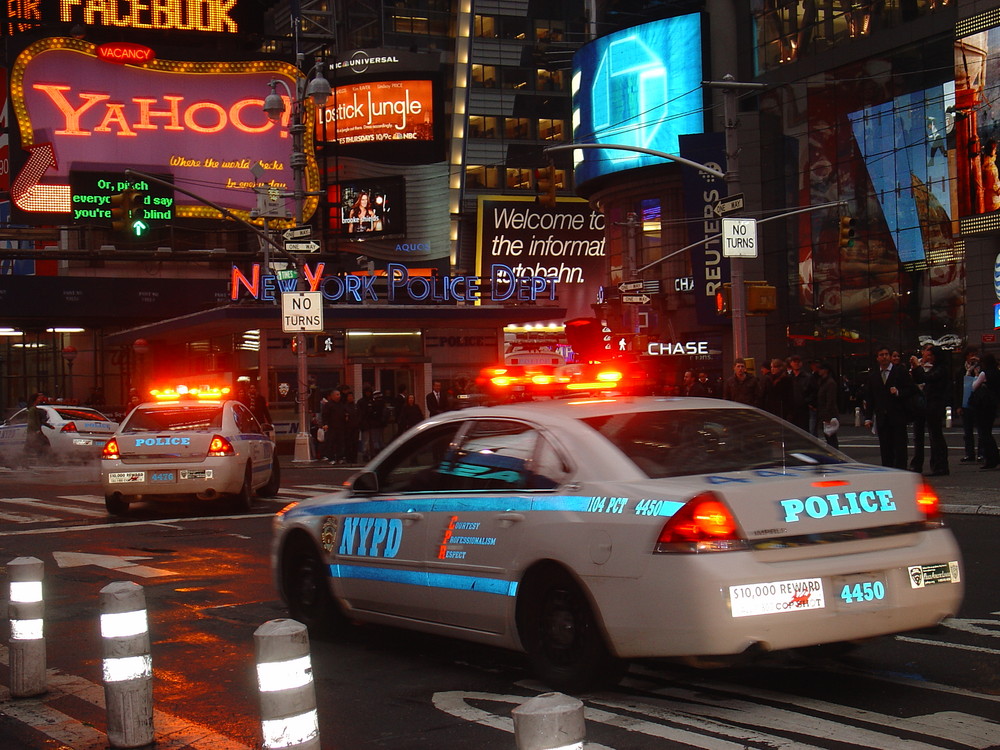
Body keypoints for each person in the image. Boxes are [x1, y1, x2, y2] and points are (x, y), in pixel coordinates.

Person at [862, 346, 914, 470]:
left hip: (897, 415)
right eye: (881, 354)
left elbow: (911, 389)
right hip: (882, 417)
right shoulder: (873, 375)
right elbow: (870, 397)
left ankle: (901, 469)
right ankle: (888, 469)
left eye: (886, 354)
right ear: (877, 358)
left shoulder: (900, 372)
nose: (884, 357)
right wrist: (868, 417)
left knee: (900, 446)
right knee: (885, 447)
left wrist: (898, 392)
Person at [909, 345, 950, 476]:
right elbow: (920, 379)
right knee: (931, 435)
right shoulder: (937, 368)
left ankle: (940, 465)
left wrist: (917, 368)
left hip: (935, 404)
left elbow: (926, 378)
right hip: (928, 404)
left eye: (931, 355)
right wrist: (916, 368)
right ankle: (936, 465)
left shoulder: (941, 369)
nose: (929, 358)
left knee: (936, 436)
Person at [970, 353, 1000, 469]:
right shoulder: (997, 372)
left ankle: (991, 458)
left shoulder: (984, 373)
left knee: (984, 432)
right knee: (988, 431)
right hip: (992, 404)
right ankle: (994, 456)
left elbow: (974, 386)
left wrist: (976, 375)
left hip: (983, 405)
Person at [959, 349, 980, 463]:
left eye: (975, 355)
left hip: (978, 402)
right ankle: (969, 453)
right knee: (967, 431)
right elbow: (958, 388)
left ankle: (981, 453)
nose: (973, 357)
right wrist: (958, 405)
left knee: (981, 430)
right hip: (966, 402)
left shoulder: (980, 369)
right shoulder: (962, 370)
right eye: (971, 355)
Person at [786, 355, 814, 432]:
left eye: (798, 362)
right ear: (791, 363)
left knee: (804, 431)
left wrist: (807, 402)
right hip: (791, 410)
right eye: (794, 362)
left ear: (801, 363)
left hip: (803, 409)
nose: (796, 364)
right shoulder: (788, 378)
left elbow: (813, 392)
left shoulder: (808, 377)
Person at [358, 386, 387, 461]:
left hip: (371, 423)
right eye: (367, 392)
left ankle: (371, 454)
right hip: (367, 423)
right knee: (368, 440)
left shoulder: (372, 401)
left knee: (373, 440)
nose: (368, 393)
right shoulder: (363, 402)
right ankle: (366, 454)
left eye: (369, 392)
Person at [815, 362, 840, 449]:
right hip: (824, 413)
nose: (819, 371)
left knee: (831, 437)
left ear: (826, 370)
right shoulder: (823, 382)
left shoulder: (830, 383)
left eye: (821, 369)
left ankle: (835, 455)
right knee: (829, 437)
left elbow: (831, 401)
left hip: (829, 414)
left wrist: (827, 416)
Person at [320, 388, 346, 463]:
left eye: (339, 394)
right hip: (331, 427)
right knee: (331, 443)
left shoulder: (341, 404)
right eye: (337, 395)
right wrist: (325, 424)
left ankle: (340, 457)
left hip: (340, 427)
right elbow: (325, 415)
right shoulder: (328, 405)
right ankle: (331, 458)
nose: (339, 396)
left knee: (340, 443)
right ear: (332, 396)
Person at [24, 392, 51, 460]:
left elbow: (38, 420)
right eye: (39, 398)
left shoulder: (34, 409)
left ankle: (21, 460)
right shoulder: (33, 409)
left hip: (33, 431)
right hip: (34, 431)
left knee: (30, 447)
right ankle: (43, 459)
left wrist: (49, 426)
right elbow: (32, 421)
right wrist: (37, 431)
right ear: (35, 399)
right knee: (43, 444)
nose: (40, 399)